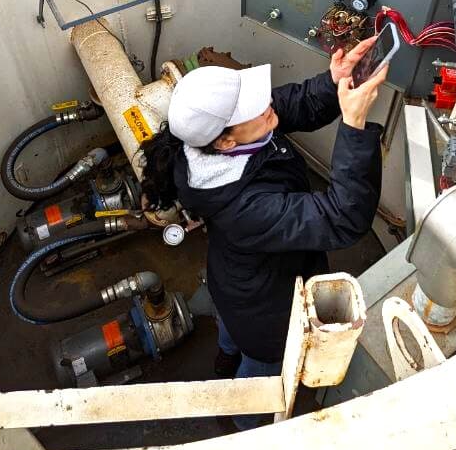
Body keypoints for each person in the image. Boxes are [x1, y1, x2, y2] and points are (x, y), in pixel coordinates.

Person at [140, 38, 386, 429]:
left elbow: (287, 106)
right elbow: (342, 217)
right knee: (261, 373)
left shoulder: (213, 144)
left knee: (230, 332)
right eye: (252, 107)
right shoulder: (244, 207)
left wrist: (334, 79)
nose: (265, 104)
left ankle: (224, 359)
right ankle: (243, 427)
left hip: (232, 283)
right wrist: (354, 129)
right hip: (266, 313)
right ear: (226, 140)